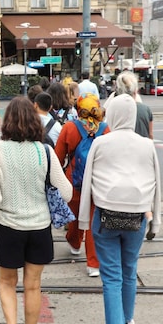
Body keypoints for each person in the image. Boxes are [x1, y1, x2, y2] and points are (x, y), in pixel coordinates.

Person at [0, 97, 72, 324]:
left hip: (8, 225)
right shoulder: (43, 151)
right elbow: (65, 192)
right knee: (33, 286)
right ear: (35, 122)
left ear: (7, 122)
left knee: (6, 282)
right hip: (39, 226)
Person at [79, 94, 161, 324]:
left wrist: (82, 221)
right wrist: (155, 220)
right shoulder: (147, 145)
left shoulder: (101, 142)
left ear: (112, 114)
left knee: (111, 276)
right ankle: (126, 322)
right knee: (130, 269)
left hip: (106, 214)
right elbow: (157, 183)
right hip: (137, 216)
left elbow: (88, 181)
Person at [54, 93, 109, 277]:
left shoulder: (70, 128)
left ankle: (75, 243)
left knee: (75, 214)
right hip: (98, 181)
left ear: (78, 109)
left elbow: (58, 157)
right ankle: (93, 264)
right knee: (95, 221)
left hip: (74, 181)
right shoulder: (105, 129)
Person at [106, 72, 153, 139]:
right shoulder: (145, 109)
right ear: (135, 91)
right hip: (142, 147)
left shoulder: (112, 107)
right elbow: (150, 135)